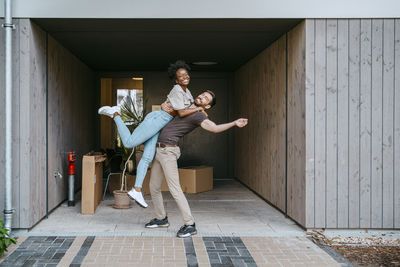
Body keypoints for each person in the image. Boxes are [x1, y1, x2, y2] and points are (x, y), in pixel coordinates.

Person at [98, 60, 204, 208]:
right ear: (176, 79)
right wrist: (199, 109)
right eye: (181, 76)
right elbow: (181, 112)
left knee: (147, 157)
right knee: (128, 143)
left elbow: (189, 107)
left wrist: (200, 108)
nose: (185, 77)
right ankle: (115, 113)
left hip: (161, 124)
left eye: (186, 74)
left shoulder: (187, 92)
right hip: (157, 120)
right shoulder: (177, 89)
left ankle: (137, 189)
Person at [145, 90, 248, 238]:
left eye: (206, 98)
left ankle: (190, 224)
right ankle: (161, 218)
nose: (202, 97)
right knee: (153, 187)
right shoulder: (185, 107)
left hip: (168, 151)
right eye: (202, 94)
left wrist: (234, 123)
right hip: (159, 150)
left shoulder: (199, 115)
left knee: (175, 189)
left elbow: (214, 128)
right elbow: (167, 105)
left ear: (207, 106)